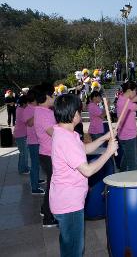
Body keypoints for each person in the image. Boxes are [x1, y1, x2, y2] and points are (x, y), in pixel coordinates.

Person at [50, 94, 118, 257]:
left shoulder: (65, 132)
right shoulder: (65, 139)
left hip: (64, 199)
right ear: (74, 115)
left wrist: (104, 138)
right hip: (69, 204)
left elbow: (84, 150)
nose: (81, 114)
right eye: (79, 111)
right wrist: (108, 152)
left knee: (68, 244)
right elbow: (87, 170)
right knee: (74, 250)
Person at [34, 82, 58, 227]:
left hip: (46, 153)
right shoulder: (45, 113)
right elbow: (53, 133)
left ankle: (44, 209)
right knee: (53, 187)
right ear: (47, 96)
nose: (54, 97)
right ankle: (48, 219)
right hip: (49, 154)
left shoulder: (40, 110)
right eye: (53, 94)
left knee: (51, 184)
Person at [23, 88, 46, 195]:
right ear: (33, 99)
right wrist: (37, 112)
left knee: (38, 163)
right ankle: (34, 187)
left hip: (39, 140)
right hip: (33, 142)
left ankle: (36, 180)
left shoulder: (35, 107)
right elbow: (29, 123)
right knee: (35, 164)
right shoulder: (28, 109)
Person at [14, 95, 30, 174]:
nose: (28, 104)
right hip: (20, 135)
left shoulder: (20, 109)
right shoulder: (21, 110)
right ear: (24, 103)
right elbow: (26, 121)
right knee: (24, 153)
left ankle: (24, 167)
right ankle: (22, 169)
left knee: (23, 152)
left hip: (20, 134)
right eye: (27, 102)